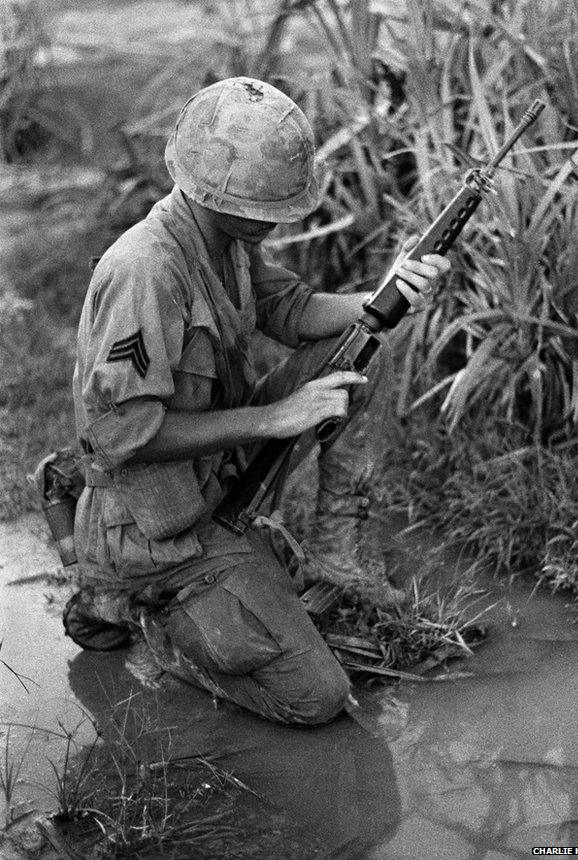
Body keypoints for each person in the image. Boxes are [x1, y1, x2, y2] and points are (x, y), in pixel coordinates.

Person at [69, 76, 450, 725]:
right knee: (315, 698)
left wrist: (384, 297)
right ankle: (150, 622)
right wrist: (277, 417)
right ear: (220, 195)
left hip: (214, 481)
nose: (278, 217)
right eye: (267, 204)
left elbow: (291, 309)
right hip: (155, 532)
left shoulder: (223, 240)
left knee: (360, 351)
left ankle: (337, 545)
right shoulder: (147, 271)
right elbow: (121, 436)